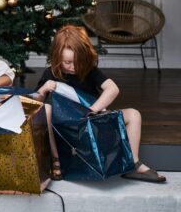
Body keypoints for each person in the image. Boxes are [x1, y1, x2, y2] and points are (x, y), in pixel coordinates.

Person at [34, 25, 166, 183]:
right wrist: (42, 90)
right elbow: (35, 106)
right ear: (57, 57)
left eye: (78, 61)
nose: (73, 67)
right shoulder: (51, 73)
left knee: (134, 114)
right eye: (68, 62)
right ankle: (56, 161)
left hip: (92, 122)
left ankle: (133, 164)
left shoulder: (88, 70)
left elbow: (113, 89)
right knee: (46, 109)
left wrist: (93, 110)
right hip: (66, 129)